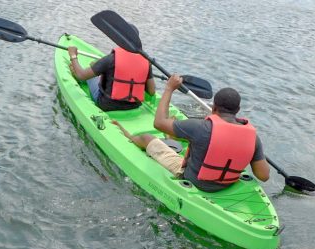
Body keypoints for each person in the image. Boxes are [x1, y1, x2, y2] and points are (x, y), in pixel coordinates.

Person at [111, 74, 269, 192]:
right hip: (226, 185)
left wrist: (169, 88)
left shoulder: (200, 127)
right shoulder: (252, 137)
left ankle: (129, 136)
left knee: (147, 138)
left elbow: (159, 123)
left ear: (213, 108)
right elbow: (263, 175)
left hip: (194, 182)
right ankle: (171, 137)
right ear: (238, 111)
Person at [67, 43, 155, 111]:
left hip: (106, 105)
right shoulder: (146, 62)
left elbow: (81, 75)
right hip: (134, 106)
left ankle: (85, 71)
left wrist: (73, 55)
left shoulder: (110, 59)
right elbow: (151, 91)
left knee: (89, 75)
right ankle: (95, 68)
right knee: (101, 69)